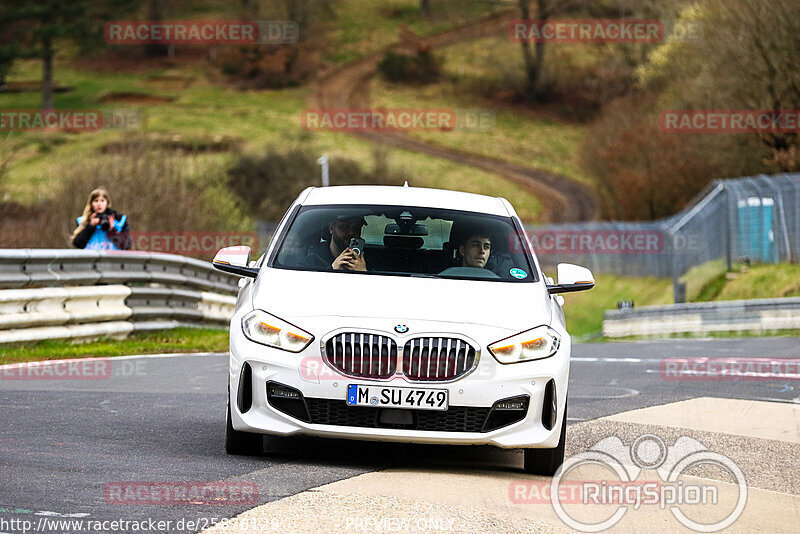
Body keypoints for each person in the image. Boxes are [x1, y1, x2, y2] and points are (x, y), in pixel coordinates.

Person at [302, 214, 368, 271]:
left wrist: (364, 273)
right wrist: (332, 269)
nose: (352, 232)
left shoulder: (369, 260)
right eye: (345, 226)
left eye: (357, 227)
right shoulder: (312, 262)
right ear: (331, 228)